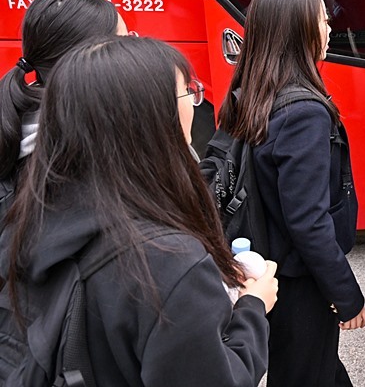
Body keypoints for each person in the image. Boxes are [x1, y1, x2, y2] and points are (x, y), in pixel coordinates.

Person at [1, 36, 277, 385]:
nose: (195, 103)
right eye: (187, 92)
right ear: (149, 118)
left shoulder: (32, 213)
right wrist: (253, 308)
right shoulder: (168, 260)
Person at [216, 0, 365, 386]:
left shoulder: (252, 93)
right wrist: (346, 294)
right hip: (299, 283)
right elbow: (308, 221)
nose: (329, 27)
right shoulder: (304, 113)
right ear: (299, 31)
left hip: (265, 267)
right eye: (322, 20)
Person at [0, 0, 127, 194]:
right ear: (87, 58)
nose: (134, 53)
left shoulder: (21, 117)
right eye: (124, 43)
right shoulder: (86, 151)